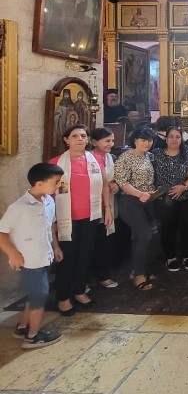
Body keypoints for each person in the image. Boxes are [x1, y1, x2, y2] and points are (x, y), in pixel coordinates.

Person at [0, 163, 64, 349]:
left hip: (44, 255)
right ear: (39, 183)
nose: (59, 185)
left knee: (34, 294)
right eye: (56, 182)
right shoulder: (19, 207)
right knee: (39, 295)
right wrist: (12, 253)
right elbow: (2, 232)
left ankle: (21, 327)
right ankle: (33, 336)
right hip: (28, 259)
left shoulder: (49, 201)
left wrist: (56, 246)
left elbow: (50, 226)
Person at [50, 124, 111, 315]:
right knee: (66, 258)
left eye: (83, 136)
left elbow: (104, 186)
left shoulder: (95, 161)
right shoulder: (55, 163)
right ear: (66, 140)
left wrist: (107, 208)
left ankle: (79, 290)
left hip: (90, 217)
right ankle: (63, 297)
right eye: (75, 136)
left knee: (85, 255)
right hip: (66, 218)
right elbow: (49, 194)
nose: (80, 139)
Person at [153, 126, 188, 272]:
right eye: (171, 136)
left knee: (187, 227)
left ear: (182, 139)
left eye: (177, 137)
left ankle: (187, 255)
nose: (174, 139)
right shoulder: (157, 154)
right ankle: (170, 256)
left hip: (186, 196)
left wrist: (184, 186)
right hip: (165, 197)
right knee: (168, 227)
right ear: (166, 139)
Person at [114, 126, 157, 291]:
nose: (147, 143)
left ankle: (140, 269)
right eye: (143, 140)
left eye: (150, 140)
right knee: (143, 235)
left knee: (147, 236)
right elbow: (122, 182)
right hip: (130, 201)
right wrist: (139, 194)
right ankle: (138, 274)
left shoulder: (148, 156)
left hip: (147, 200)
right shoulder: (126, 157)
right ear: (135, 141)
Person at [89, 127, 119, 289]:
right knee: (90, 243)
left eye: (112, 140)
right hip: (92, 204)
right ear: (94, 142)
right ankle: (85, 278)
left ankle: (103, 275)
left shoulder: (110, 158)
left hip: (108, 204)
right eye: (107, 141)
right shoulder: (88, 158)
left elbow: (114, 178)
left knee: (105, 241)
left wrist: (116, 184)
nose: (111, 144)